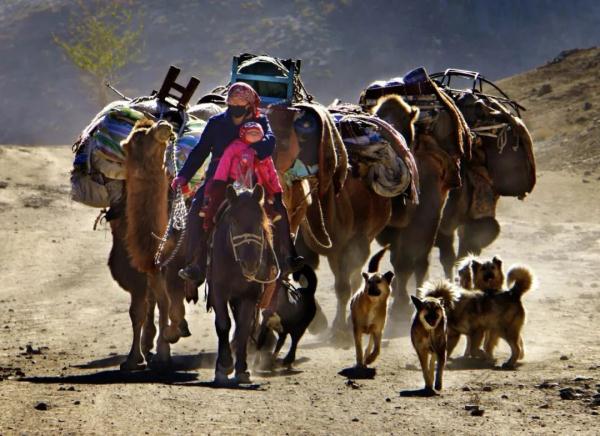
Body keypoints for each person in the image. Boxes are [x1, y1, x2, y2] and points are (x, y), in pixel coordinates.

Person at [170, 82, 303, 286]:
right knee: (197, 208)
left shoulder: (260, 122)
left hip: (253, 179)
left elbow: (269, 145)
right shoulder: (216, 123)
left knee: (278, 207)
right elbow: (200, 151)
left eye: (240, 104)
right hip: (219, 178)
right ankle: (195, 264)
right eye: (231, 104)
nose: (235, 108)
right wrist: (184, 176)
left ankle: (288, 256)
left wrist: (250, 145)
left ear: (250, 106)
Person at [203, 121, 284, 229]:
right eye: (251, 133)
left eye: (257, 133)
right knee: (218, 198)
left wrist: (277, 190)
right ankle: (210, 218)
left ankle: (268, 223)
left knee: (265, 203)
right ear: (242, 134)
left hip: (256, 184)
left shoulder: (264, 152)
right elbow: (224, 164)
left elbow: (272, 172)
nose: (254, 135)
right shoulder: (235, 147)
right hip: (234, 181)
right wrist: (219, 182)